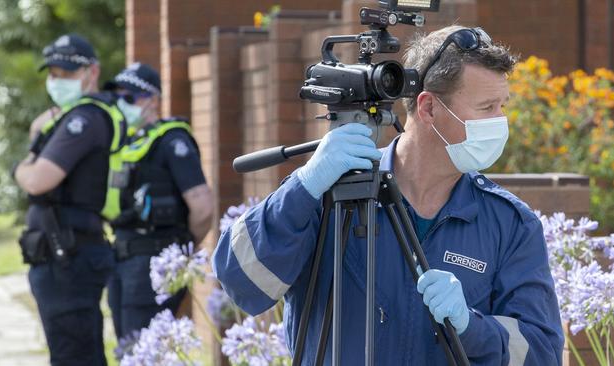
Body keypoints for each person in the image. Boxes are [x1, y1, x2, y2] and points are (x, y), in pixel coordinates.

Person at [213, 25, 564, 365]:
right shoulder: (331, 194)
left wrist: (473, 328)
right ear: (428, 108)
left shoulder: (510, 224)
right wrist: (303, 187)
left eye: (502, 105)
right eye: (487, 108)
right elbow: (240, 283)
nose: (501, 121)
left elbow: (543, 354)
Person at [13, 34, 126, 365]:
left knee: (73, 355)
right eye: (52, 74)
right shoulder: (74, 116)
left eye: (65, 73)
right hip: (65, 253)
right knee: (77, 351)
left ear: (91, 72)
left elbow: (37, 180)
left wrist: (20, 167)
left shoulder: (85, 118)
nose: (56, 81)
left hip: (68, 257)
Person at [105, 63, 214, 341]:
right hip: (123, 259)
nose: (121, 103)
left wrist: (180, 251)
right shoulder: (128, 143)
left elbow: (202, 208)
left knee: (144, 349)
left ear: (153, 100)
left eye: (129, 97)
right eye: (117, 96)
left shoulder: (172, 141)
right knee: (128, 348)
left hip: (153, 261)